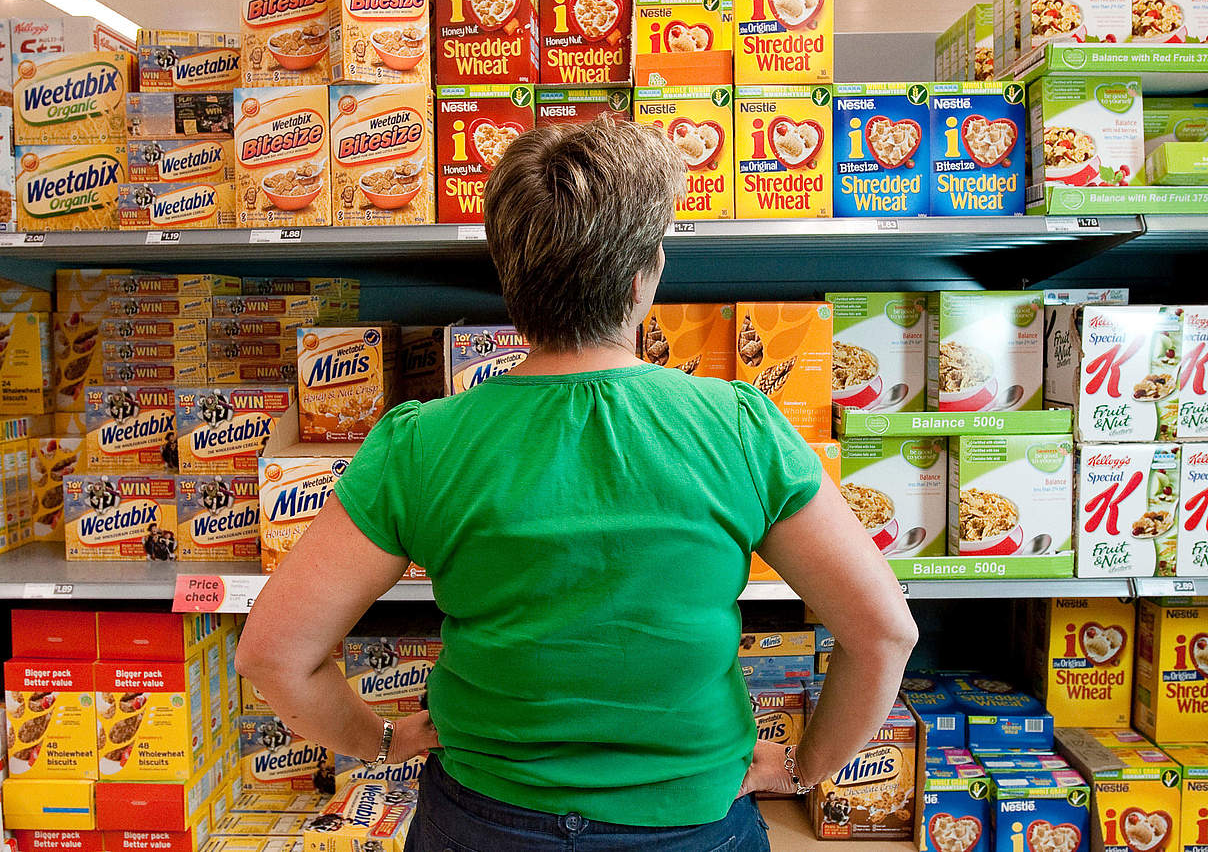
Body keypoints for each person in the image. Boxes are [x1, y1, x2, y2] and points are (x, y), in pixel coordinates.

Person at [236, 117, 918, 852]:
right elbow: (883, 632)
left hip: (483, 820)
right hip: (688, 822)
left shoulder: (421, 443)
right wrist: (805, 767)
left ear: (512, 276)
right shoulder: (739, 425)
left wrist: (377, 742)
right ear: (640, 276)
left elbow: (274, 655)